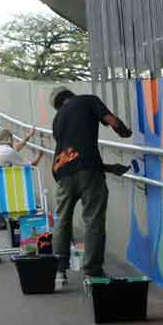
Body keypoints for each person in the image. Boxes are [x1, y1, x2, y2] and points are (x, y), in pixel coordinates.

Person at [50, 87, 131, 282]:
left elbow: (73, 156)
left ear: (58, 105)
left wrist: (109, 168)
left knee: (63, 219)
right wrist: (125, 132)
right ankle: (92, 271)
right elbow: (111, 120)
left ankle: (60, 270)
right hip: (89, 172)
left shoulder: (57, 119)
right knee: (93, 219)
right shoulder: (88, 100)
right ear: (71, 94)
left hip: (61, 172)